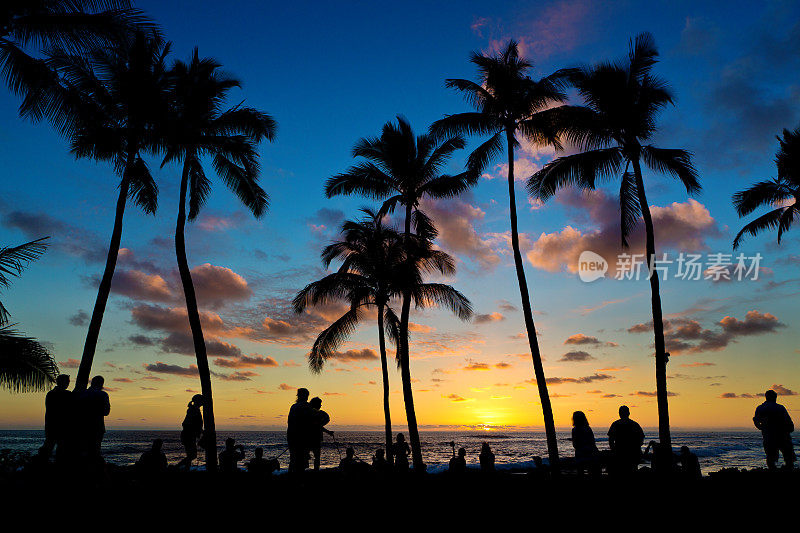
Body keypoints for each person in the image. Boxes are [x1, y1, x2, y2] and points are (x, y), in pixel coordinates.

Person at [753, 389, 795, 470]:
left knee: (770, 457)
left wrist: (761, 428)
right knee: (788, 457)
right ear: (775, 397)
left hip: (768, 436)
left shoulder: (760, 408)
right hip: (783, 435)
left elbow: (756, 420)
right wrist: (790, 429)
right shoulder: (780, 408)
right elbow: (788, 421)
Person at [39, 374, 73, 461]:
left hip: (51, 425)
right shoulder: (66, 394)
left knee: (49, 445)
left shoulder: (50, 394)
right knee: (59, 447)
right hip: (61, 425)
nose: (68, 383)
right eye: (67, 382)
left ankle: (41, 463)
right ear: (62, 382)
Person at [76, 375, 110, 461]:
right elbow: (106, 412)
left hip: (83, 426)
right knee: (95, 451)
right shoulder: (103, 395)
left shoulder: (82, 394)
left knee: (83, 451)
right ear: (101, 384)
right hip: (98, 426)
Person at [608, 405, 645, 475]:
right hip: (632, 453)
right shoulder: (635, 424)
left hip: (620, 452)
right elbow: (641, 438)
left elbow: (611, 440)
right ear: (628, 413)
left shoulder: (615, 424)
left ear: (619, 414)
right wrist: (636, 448)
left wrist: (613, 450)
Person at [287, 387, 313, 473]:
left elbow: (289, 422)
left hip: (293, 436)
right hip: (303, 437)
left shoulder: (294, 407)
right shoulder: (308, 407)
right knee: (302, 460)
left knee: (293, 458)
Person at [177, 394, 204, 469]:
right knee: (192, 455)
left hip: (189, 435)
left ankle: (185, 469)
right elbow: (187, 424)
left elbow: (196, 424)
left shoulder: (194, 409)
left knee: (190, 455)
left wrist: (199, 431)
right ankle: (177, 467)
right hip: (188, 435)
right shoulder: (193, 410)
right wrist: (198, 431)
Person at [308, 396, 334, 471]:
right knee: (316, 456)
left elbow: (318, 426)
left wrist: (328, 432)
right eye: (320, 404)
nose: (321, 405)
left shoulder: (312, 413)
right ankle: (315, 471)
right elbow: (318, 426)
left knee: (310, 456)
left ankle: (312, 471)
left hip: (311, 437)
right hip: (314, 438)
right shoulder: (315, 414)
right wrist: (328, 432)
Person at [571, 410, 600, 477]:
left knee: (580, 472)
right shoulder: (588, 428)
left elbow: (575, 444)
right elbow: (592, 441)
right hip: (590, 452)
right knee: (592, 472)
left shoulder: (575, 430)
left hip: (581, 453)